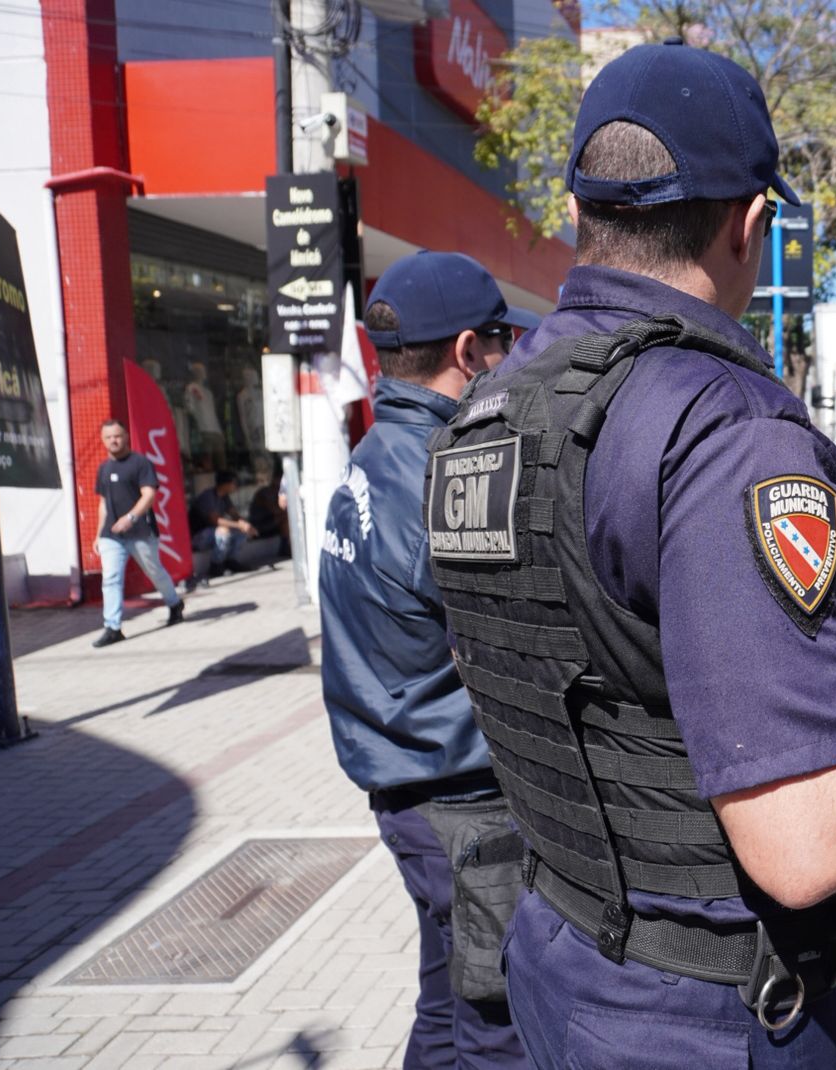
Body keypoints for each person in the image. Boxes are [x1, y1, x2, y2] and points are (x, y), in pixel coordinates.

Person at [424, 40, 836, 1070]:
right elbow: (805, 839)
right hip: (702, 1017)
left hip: (554, 959)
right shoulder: (726, 432)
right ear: (749, 225)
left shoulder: (487, 411)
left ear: (579, 216)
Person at [319, 251, 539, 1069]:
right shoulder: (447, 475)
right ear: (468, 350)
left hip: (409, 788)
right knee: (500, 1021)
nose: (511, 358)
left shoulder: (376, 459)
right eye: (505, 342)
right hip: (462, 803)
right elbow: (522, 646)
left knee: (448, 1002)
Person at [91, 419, 185, 647]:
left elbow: (149, 495)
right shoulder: (104, 468)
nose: (114, 440)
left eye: (117, 436)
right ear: (103, 440)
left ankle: (174, 603)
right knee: (111, 578)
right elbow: (103, 502)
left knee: (154, 572)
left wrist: (130, 518)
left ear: (126, 437)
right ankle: (112, 627)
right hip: (111, 535)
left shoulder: (140, 463)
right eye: (109, 437)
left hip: (140, 531)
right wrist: (97, 534)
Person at [189, 471, 254, 575]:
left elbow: (235, 516)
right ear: (225, 484)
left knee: (241, 532)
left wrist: (247, 525)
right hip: (198, 537)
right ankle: (216, 565)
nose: (236, 486)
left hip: (212, 533)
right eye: (234, 483)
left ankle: (230, 561)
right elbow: (216, 520)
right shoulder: (208, 495)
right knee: (223, 531)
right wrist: (239, 525)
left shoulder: (224, 497)